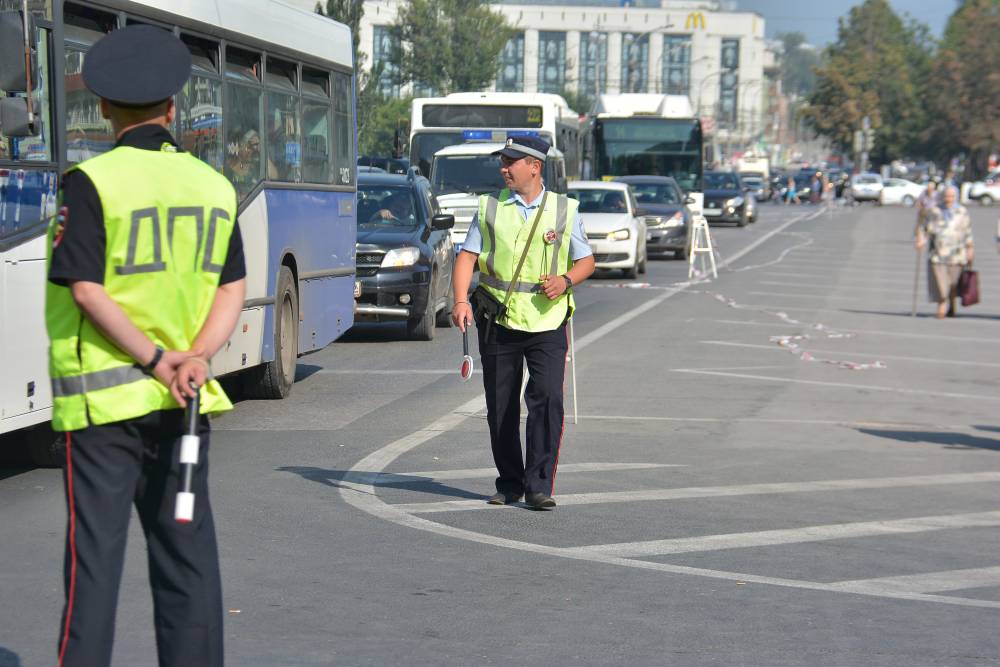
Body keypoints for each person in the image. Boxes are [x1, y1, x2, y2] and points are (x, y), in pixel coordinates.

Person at [45, 25, 246, 667]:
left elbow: (85, 289)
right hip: (185, 409)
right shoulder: (214, 188)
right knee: (187, 559)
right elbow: (232, 289)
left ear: (102, 107)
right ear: (173, 107)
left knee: (95, 569)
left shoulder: (92, 181)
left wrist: (156, 361)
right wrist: (193, 359)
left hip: (105, 414)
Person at [451, 136, 595, 510]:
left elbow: (586, 261)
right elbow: (466, 258)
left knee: (547, 398)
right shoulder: (489, 207)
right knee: (500, 406)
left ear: (534, 166)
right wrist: (461, 300)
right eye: (503, 160)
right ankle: (510, 483)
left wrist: (565, 281)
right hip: (499, 318)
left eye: (511, 161)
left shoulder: (564, 209)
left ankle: (538, 486)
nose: (504, 167)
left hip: (548, 321)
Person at [915, 185, 973, 319]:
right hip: (938, 253)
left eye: (952, 196)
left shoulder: (962, 211)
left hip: (957, 254)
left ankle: (951, 302)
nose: (949, 199)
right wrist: (920, 240)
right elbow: (924, 228)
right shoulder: (934, 211)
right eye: (947, 196)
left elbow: (968, 232)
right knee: (940, 282)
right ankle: (942, 303)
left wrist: (970, 249)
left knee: (953, 283)